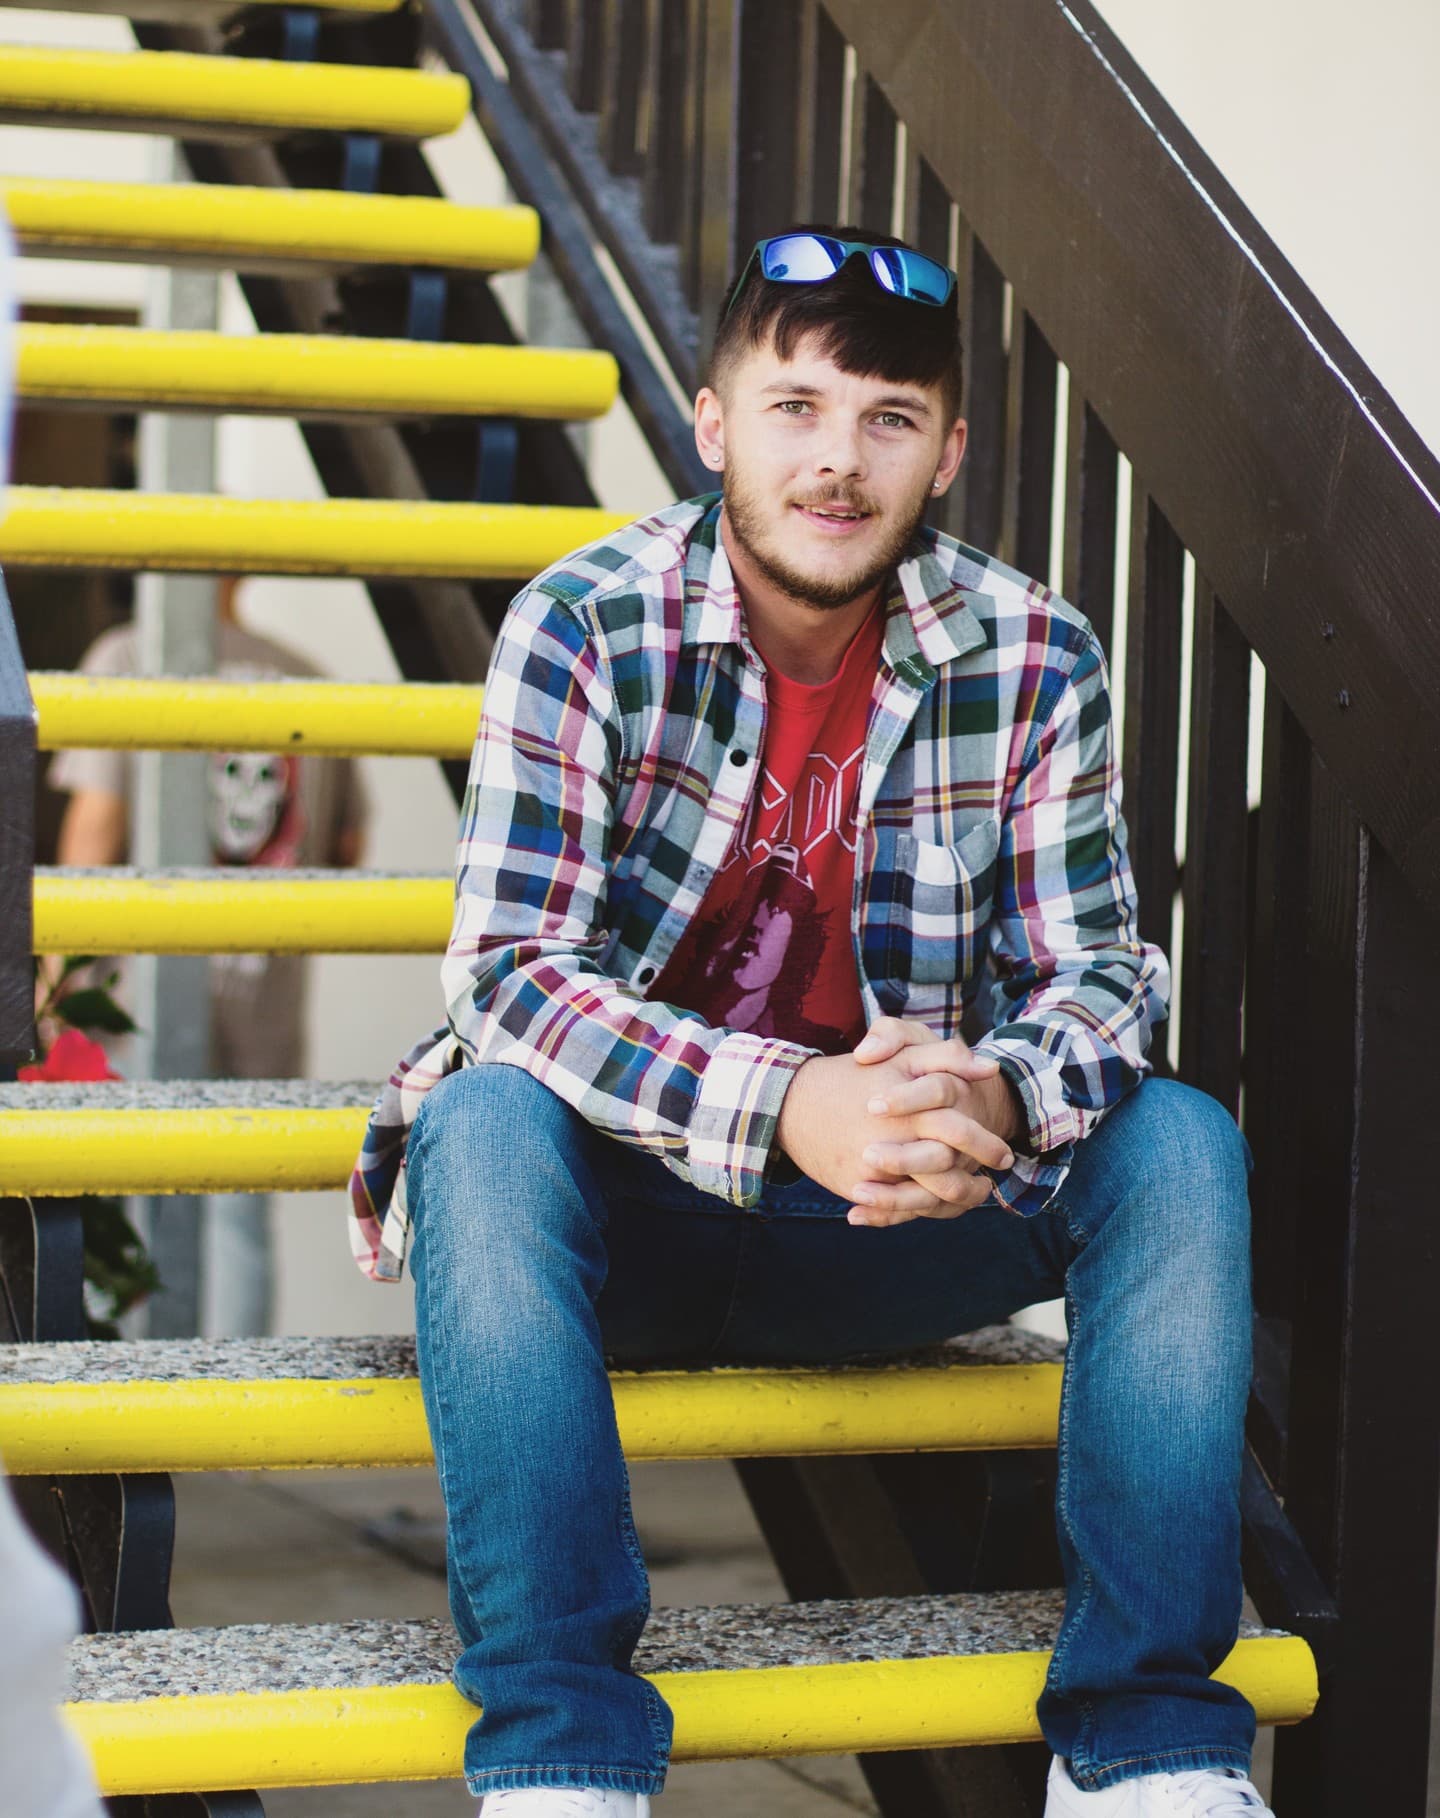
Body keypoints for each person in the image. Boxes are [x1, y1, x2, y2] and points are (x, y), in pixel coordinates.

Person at [349, 226, 1268, 1818]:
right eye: (795, 405)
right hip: (624, 1215)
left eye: (889, 418)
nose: (837, 460)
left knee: (1176, 1142)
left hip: (887, 1210)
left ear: (947, 451)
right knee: (483, 1114)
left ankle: (1150, 1749)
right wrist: (787, 1097)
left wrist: (987, 1089)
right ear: (714, 427)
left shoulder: (1033, 652)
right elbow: (508, 973)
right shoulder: (587, 622)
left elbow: (1108, 971)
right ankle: (562, 1754)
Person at [46, 579, 368, 1335]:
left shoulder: (127, 658)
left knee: (125, 1205)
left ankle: (133, 1424)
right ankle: (232, 1440)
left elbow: (95, 830)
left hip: (138, 988)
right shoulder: (311, 680)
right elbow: (349, 849)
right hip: (265, 997)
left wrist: (54, 980)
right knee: (239, 1217)